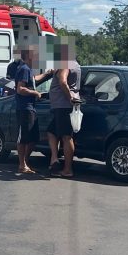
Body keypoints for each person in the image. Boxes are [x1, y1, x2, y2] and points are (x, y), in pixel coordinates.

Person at [37, 42, 81, 177]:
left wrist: (69, 98)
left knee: (67, 137)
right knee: (51, 132)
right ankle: (54, 159)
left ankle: (67, 170)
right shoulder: (75, 64)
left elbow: (63, 81)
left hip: (64, 105)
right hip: (62, 106)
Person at [13, 46, 41, 175]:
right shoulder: (24, 69)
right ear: (29, 56)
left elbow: (33, 81)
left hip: (31, 108)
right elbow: (20, 89)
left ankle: (25, 162)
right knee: (23, 138)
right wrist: (35, 93)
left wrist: (47, 74)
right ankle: (21, 164)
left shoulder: (29, 70)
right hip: (24, 108)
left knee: (33, 137)